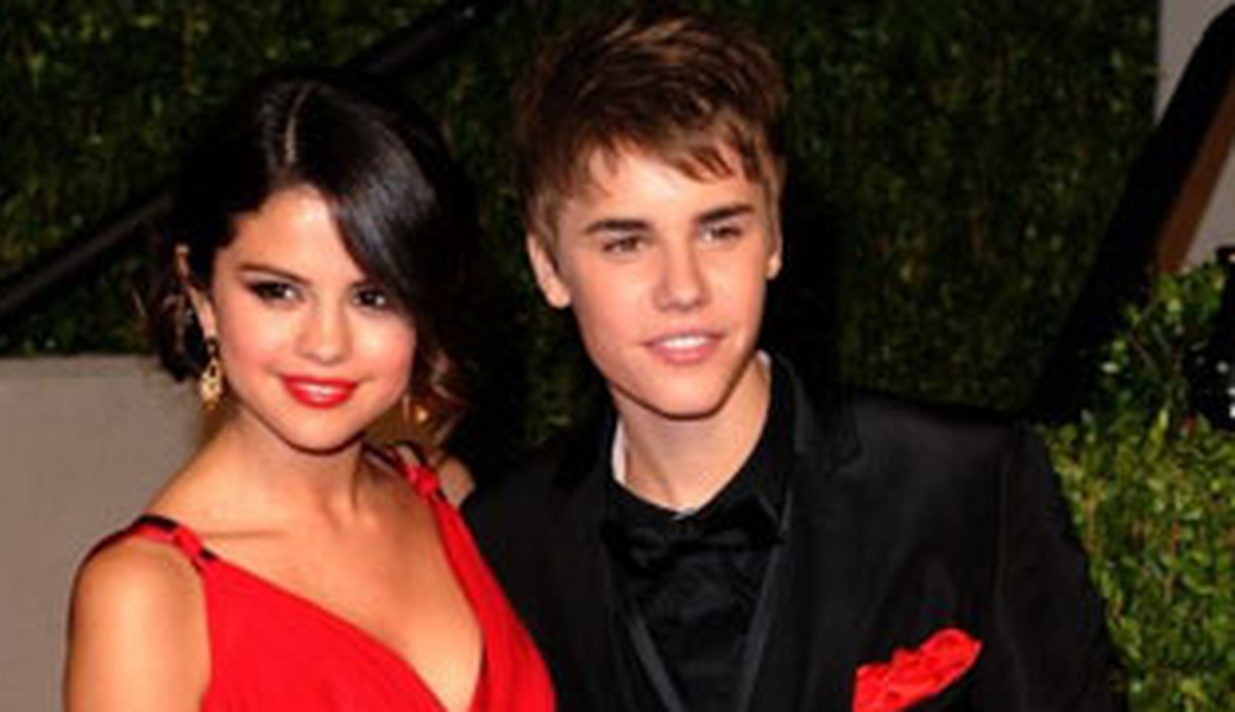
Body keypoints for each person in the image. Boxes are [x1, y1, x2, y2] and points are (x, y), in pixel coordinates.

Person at [463, 7, 1122, 711]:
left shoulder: (966, 488)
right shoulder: (502, 546)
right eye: (627, 243)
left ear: (774, 236)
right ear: (549, 267)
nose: (683, 287)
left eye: (719, 230)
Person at [65, 68, 554, 712]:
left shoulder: (445, 497)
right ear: (202, 295)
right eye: (278, 291)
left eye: (373, 297)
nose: (326, 343)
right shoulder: (146, 596)